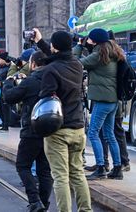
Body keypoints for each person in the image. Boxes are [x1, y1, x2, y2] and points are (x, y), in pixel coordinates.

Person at [34, 29, 92, 212]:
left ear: (54, 47)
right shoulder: (77, 65)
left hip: (58, 129)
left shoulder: (51, 70)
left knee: (60, 177)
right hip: (78, 128)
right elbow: (60, 56)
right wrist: (41, 42)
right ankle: (85, 210)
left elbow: (45, 97)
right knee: (77, 173)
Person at [3, 51, 53, 212]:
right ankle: (44, 203)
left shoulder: (30, 81)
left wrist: (9, 81)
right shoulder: (53, 80)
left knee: (22, 165)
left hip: (31, 131)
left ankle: (34, 200)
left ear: (33, 64)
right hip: (50, 131)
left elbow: (9, 97)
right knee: (45, 170)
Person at [74, 28, 123, 180]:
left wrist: (79, 46)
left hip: (102, 100)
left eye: (89, 39)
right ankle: (117, 168)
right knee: (109, 134)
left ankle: (101, 167)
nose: (87, 40)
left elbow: (75, 63)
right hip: (113, 100)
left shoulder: (98, 55)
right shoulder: (111, 51)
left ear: (94, 41)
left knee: (93, 132)